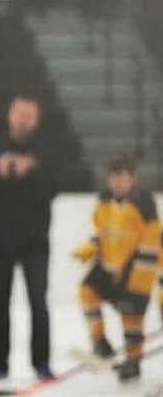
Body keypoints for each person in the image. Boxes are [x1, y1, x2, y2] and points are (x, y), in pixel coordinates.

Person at [0, 94, 58, 382]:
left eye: (29, 114)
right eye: (19, 113)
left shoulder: (47, 151)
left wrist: (31, 171)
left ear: (37, 119)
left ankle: (42, 363)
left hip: (35, 242)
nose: (23, 119)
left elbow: (54, 189)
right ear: (10, 115)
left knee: (38, 303)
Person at [73, 157, 159, 382]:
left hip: (135, 272)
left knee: (131, 317)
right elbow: (101, 233)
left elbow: (152, 244)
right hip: (107, 268)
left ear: (132, 178)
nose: (117, 182)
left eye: (122, 176)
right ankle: (100, 342)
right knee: (86, 292)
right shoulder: (104, 203)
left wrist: (139, 283)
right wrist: (89, 248)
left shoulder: (144, 206)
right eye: (113, 177)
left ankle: (133, 360)